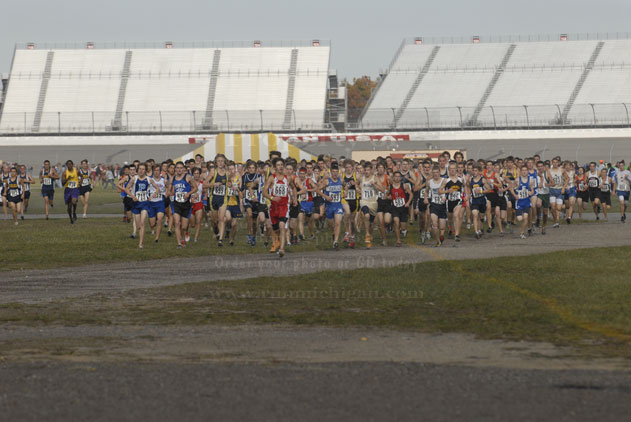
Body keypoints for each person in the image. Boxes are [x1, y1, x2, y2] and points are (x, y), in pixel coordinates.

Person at [263, 157, 297, 258]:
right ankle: (279, 240)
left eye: (282, 165)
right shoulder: (271, 178)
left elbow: (294, 188)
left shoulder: (288, 178)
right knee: (275, 228)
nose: (280, 167)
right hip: (273, 207)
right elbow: (264, 192)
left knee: (282, 226)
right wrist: (272, 197)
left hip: (284, 206)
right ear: (275, 167)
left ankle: (282, 249)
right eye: (278, 165)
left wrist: (294, 199)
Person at [125, 163, 159, 249]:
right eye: (140, 169)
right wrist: (132, 196)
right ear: (137, 170)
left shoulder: (149, 179)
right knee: (138, 226)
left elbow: (157, 188)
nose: (141, 170)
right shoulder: (134, 179)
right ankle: (139, 232)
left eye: (143, 169)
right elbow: (127, 189)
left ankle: (140, 243)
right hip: (136, 204)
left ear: (145, 170)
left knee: (142, 222)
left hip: (145, 203)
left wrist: (153, 195)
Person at [317, 163, 345, 250]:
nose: (335, 173)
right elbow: (317, 190)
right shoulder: (327, 181)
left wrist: (346, 192)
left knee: (338, 223)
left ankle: (335, 242)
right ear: (331, 172)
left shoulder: (341, 180)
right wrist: (325, 197)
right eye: (333, 172)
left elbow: (346, 186)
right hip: (329, 206)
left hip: (338, 205)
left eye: (336, 172)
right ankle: (334, 233)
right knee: (332, 225)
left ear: (338, 172)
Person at [170, 161, 194, 248]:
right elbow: (172, 190)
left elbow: (195, 188)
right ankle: (179, 243)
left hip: (186, 204)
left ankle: (183, 238)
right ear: (175, 169)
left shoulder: (188, 177)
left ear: (183, 169)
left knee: (183, 227)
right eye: (177, 168)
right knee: (177, 223)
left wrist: (189, 193)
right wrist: (170, 192)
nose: (179, 170)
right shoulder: (173, 178)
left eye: (181, 168)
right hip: (176, 203)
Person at [440, 162, 464, 241]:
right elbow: (439, 191)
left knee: (456, 215)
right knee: (450, 218)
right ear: (449, 170)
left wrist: (466, 195)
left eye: (454, 168)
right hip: (449, 201)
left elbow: (466, 187)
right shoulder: (446, 180)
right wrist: (446, 192)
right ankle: (450, 228)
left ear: (456, 169)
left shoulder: (461, 179)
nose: (453, 170)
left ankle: (456, 234)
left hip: (458, 200)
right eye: (451, 169)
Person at [388, 171, 413, 246]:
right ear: (393, 177)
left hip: (403, 207)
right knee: (396, 222)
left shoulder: (404, 185)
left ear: (401, 178)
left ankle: (403, 230)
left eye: (399, 176)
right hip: (395, 207)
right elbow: (386, 195)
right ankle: (398, 240)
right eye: (396, 176)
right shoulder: (390, 187)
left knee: (403, 227)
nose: (397, 178)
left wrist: (408, 203)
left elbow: (411, 194)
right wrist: (388, 197)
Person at [510, 165, 535, 239]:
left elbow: (532, 190)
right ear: (521, 171)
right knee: (519, 219)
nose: (524, 172)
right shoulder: (517, 180)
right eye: (523, 170)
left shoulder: (530, 180)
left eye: (525, 170)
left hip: (526, 201)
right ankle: (515, 218)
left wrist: (531, 193)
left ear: (527, 171)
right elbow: (511, 188)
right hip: (519, 202)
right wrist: (515, 195)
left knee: (526, 217)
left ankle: (522, 233)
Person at [468, 164, 492, 239]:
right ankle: (476, 232)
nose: (474, 172)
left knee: (480, 216)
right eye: (473, 170)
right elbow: (468, 187)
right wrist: (468, 195)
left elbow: (489, 189)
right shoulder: (470, 179)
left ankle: (480, 229)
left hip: (482, 201)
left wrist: (481, 191)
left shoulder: (483, 180)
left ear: (479, 172)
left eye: (476, 171)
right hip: (474, 200)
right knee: (475, 214)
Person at [359, 162, 378, 249]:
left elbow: (381, 189)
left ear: (371, 170)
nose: (366, 171)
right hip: (364, 201)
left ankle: (369, 235)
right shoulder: (361, 178)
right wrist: (358, 189)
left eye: (368, 170)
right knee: (366, 215)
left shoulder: (375, 178)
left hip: (373, 203)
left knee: (371, 223)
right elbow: (356, 184)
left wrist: (375, 185)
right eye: (365, 170)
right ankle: (367, 234)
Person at [428, 165, 447, 247]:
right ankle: (437, 241)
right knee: (435, 224)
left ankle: (441, 235)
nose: (435, 174)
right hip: (434, 204)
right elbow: (426, 191)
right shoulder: (429, 182)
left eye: (437, 172)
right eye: (434, 172)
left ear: (440, 173)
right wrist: (425, 198)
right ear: (432, 173)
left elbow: (449, 190)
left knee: (442, 227)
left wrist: (445, 197)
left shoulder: (444, 180)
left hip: (442, 205)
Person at [148, 163, 166, 242]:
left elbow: (169, 187)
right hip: (151, 203)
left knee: (160, 219)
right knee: (152, 224)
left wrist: (167, 192)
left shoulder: (163, 180)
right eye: (154, 170)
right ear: (152, 171)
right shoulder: (149, 180)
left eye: (158, 170)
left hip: (160, 202)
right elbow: (145, 190)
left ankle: (157, 238)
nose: (156, 172)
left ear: (160, 171)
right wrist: (147, 196)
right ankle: (153, 227)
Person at [61, 160, 80, 224]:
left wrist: (81, 181)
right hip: (68, 190)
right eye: (68, 164)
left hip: (75, 189)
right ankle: (71, 219)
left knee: (74, 201)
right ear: (67, 165)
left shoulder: (76, 171)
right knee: (69, 207)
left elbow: (81, 176)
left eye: (70, 164)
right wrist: (67, 179)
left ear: (72, 164)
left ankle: (74, 212)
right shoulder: (64, 173)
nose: (69, 165)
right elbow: (62, 183)